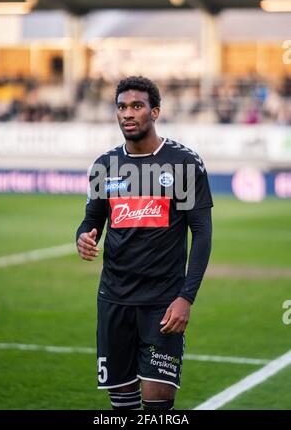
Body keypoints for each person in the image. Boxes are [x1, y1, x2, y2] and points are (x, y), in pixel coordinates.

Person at [76, 76, 213, 411]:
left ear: (155, 112)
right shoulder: (104, 165)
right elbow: (92, 220)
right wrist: (82, 237)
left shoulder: (184, 163)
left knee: (158, 401)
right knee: (121, 404)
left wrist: (186, 297)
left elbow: (203, 234)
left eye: (136, 106)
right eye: (122, 107)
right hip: (114, 299)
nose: (128, 113)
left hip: (162, 303)